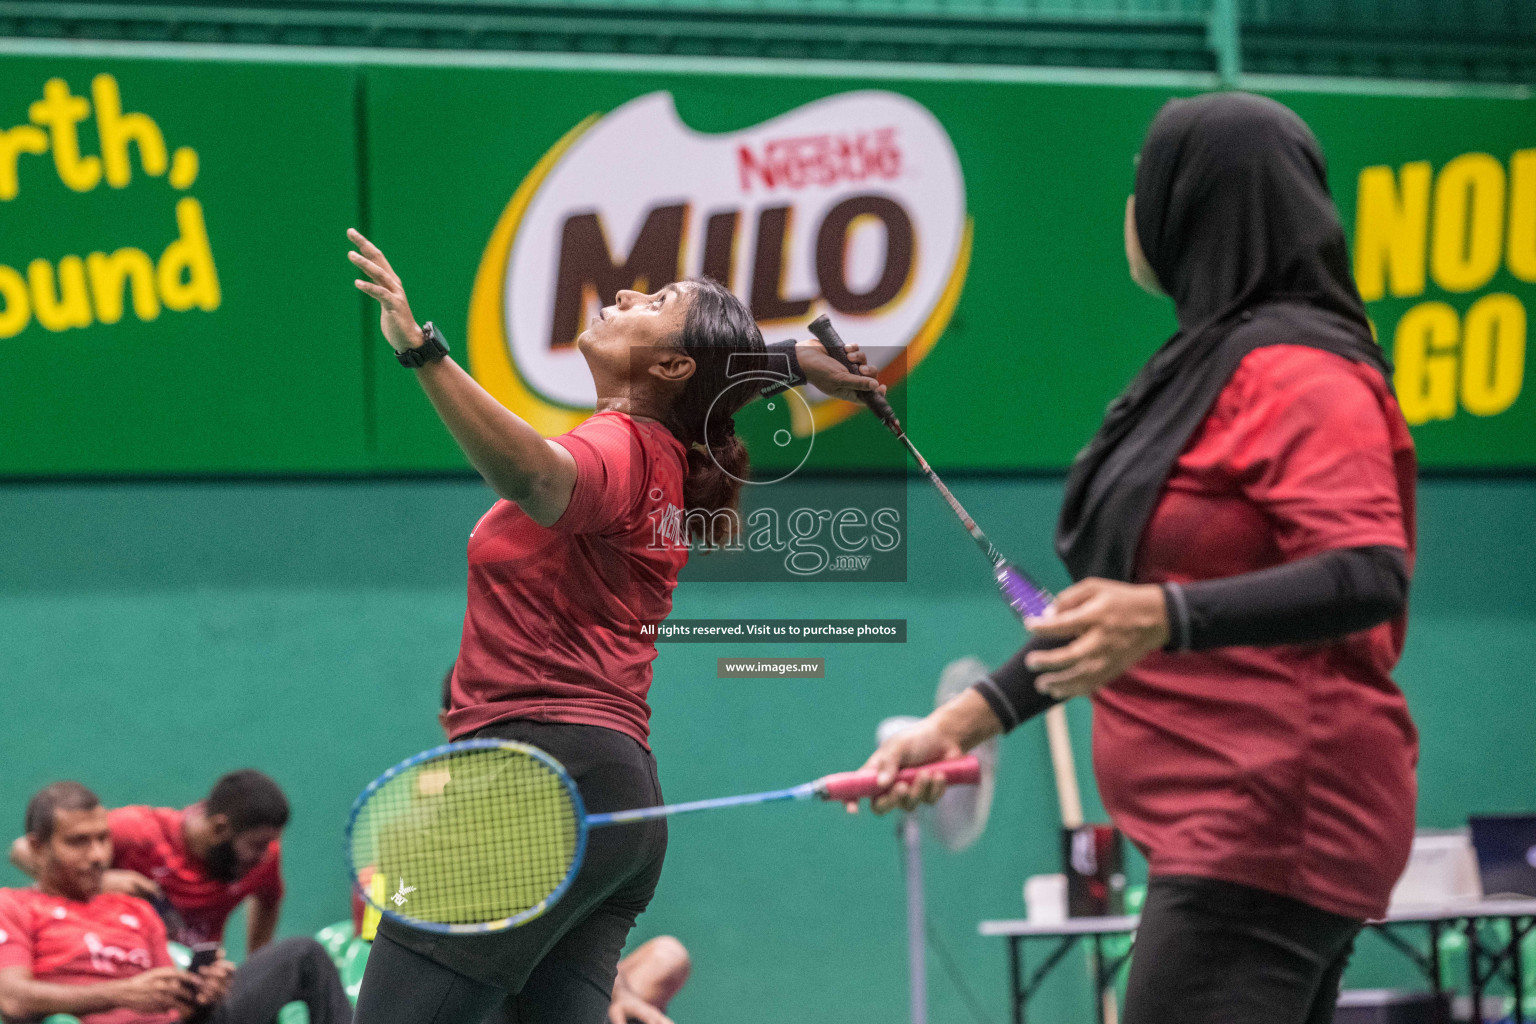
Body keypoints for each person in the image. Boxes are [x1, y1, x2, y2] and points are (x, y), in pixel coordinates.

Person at [851, 92, 1418, 1024]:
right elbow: (1105, 620)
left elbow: (1368, 570)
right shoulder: (1208, 366)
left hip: (1272, 823)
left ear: (1191, 208)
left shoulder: (1304, 373)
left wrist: (1166, 616)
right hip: (1222, 830)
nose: (1129, 210)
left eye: (1140, 186)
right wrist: (959, 725)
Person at [343, 228, 880, 1024]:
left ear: (667, 366)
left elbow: (530, 472)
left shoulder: (621, 444)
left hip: (530, 782)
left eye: (657, 302)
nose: (627, 294)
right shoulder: (665, 455)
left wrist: (422, 351)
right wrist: (791, 360)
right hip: (616, 800)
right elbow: (697, 376)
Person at [0, 782, 351, 1024]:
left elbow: (172, 1011)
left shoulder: (134, 909)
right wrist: (123, 993)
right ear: (37, 847)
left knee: (303, 955)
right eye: (78, 842)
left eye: (103, 839)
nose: (97, 855)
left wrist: (201, 995)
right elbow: (12, 999)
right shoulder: (14, 906)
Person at [10, 771, 288, 951]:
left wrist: (257, 959)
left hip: (197, 985)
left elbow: (268, 901)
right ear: (218, 829)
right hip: (119, 964)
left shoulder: (263, 858)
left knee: (300, 956)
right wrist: (100, 882)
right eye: (257, 845)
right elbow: (22, 849)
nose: (265, 855)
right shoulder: (139, 832)